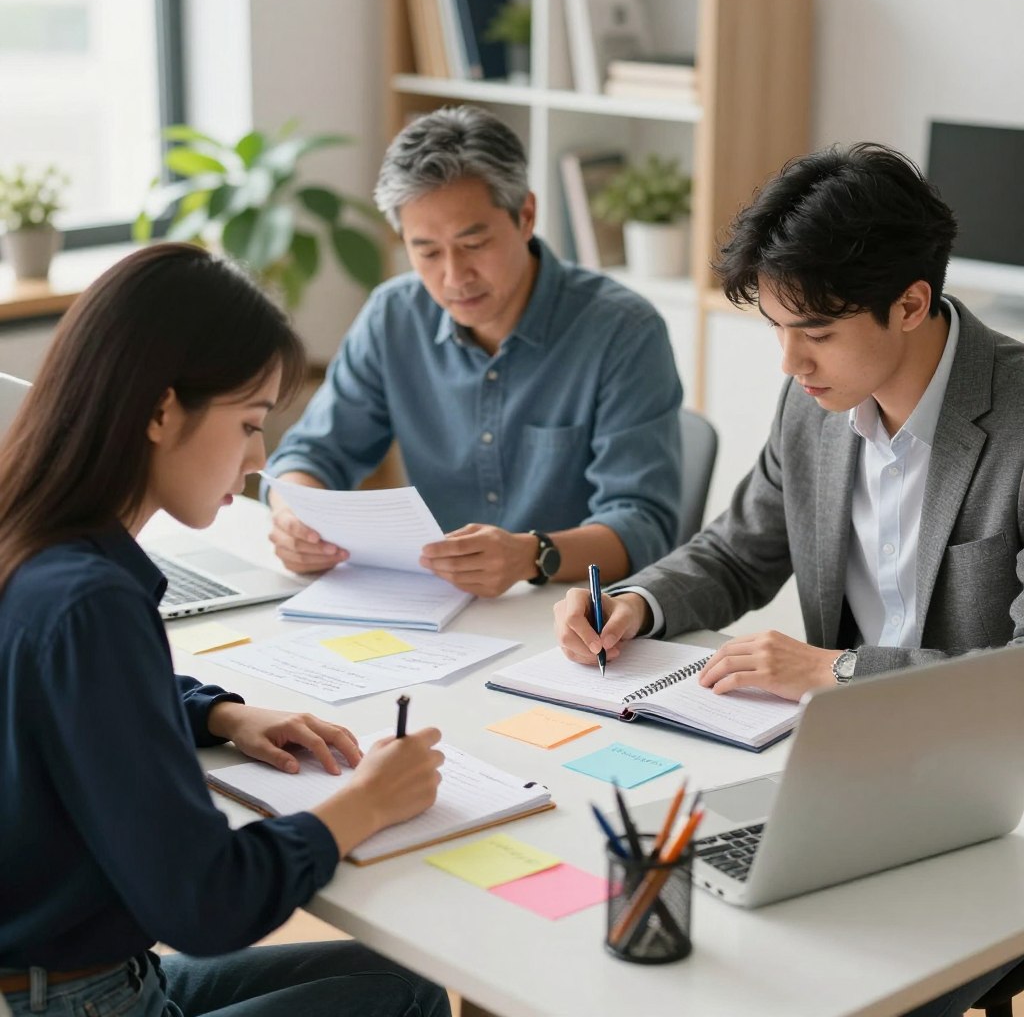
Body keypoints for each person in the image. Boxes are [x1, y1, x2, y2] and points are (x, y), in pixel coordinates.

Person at [554, 142, 1024, 1016]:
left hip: (990, 810)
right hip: (836, 781)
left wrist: (833, 673)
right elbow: (739, 550)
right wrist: (637, 600)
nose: (789, 362)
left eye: (816, 332)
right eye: (776, 327)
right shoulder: (815, 403)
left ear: (912, 303)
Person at [0, 243, 450, 1017]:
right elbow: (206, 902)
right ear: (159, 410)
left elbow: (66, 697)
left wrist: (218, 711)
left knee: (403, 980)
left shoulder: (34, 545)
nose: (257, 458)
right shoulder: (93, 602)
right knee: (402, 1002)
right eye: (247, 422)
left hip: (64, 979)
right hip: (78, 1000)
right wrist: (365, 804)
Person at [263, 104, 683, 597]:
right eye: (427, 251)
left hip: (574, 621)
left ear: (525, 216)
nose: (453, 277)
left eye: (474, 243)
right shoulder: (393, 317)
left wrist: (531, 553)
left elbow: (644, 524)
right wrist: (294, 518)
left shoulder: (623, 332)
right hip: (437, 608)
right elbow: (312, 453)